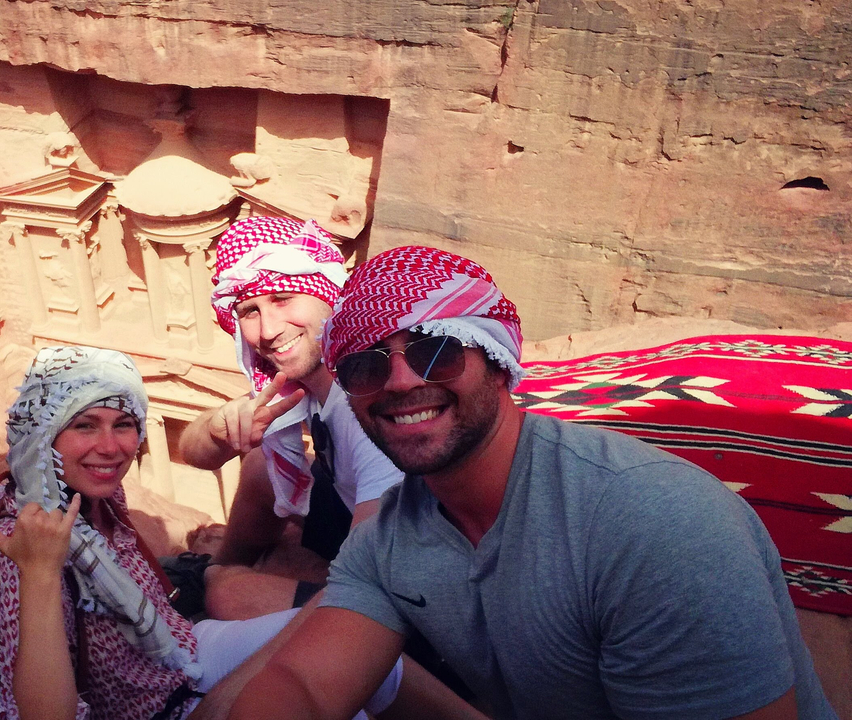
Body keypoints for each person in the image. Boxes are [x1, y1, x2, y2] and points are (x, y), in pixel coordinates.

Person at [228, 245, 838, 720]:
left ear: (498, 364)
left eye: (438, 351)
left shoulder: (651, 524)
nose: (402, 380)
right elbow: (302, 685)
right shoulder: (390, 537)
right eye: (366, 365)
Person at [0, 346, 406, 720]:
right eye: (84, 425)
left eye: (123, 424)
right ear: (44, 432)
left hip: (183, 651)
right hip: (157, 707)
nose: (110, 447)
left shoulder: (90, 491)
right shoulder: (19, 548)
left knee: (353, 643)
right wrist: (41, 572)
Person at [177, 216, 404, 619]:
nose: (268, 330)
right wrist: (218, 430)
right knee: (262, 467)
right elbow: (195, 453)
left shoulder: (368, 404)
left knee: (228, 594)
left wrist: (229, 587)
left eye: (283, 299)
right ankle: (217, 567)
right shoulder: (308, 380)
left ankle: (214, 580)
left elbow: (374, 579)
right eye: (249, 311)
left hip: (405, 581)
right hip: (348, 506)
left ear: (328, 293)